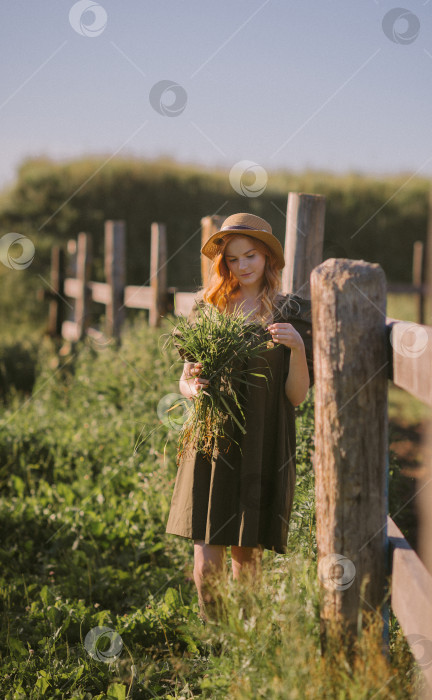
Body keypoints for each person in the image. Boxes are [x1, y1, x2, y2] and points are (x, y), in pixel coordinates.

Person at [165, 212, 314, 622]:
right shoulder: (208, 309)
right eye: (233, 259)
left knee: (246, 556)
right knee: (205, 558)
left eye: (250, 255)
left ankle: (245, 638)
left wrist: (297, 348)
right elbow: (185, 379)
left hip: (262, 438)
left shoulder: (290, 311)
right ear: (223, 264)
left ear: (268, 257)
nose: (243, 265)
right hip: (212, 437)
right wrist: (192, 386)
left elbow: (297, 396)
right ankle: (215, 634)